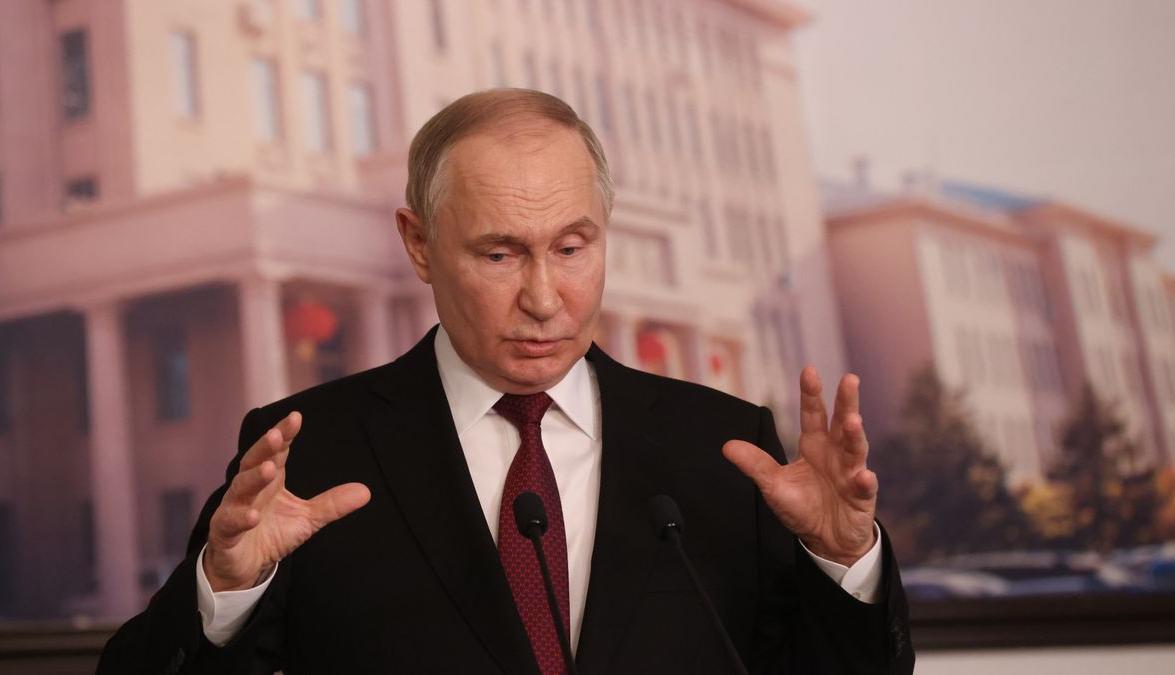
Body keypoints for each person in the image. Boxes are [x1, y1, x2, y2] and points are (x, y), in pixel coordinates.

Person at [97, 89, 913, 674]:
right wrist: (226, 590)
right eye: (500, 253)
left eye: (572, 247)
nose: (545, 298)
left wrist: (846, 563)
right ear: (419, 244)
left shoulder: (724, 448)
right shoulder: (309, 450)